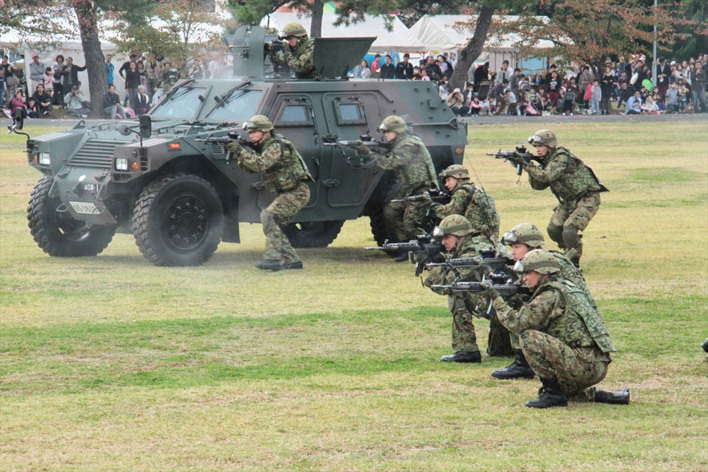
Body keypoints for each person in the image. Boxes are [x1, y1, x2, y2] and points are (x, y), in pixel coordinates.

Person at [487, 249, 629, 408]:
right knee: (563, 391)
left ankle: (552, 394)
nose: (524, 278)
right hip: (594, 361)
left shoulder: (550, 295)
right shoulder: (564, 287)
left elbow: (519, 324)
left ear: (543, 272)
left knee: (528, 337)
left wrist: (497, 301)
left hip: (584, 362)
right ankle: (607, 396)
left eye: (528, 273)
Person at [492, 223, 597, 380]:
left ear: (532, 247)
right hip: (562, 315)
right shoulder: (534, 265)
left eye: (517, 247)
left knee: (521, 311)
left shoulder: (553, 263)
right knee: (518, 303)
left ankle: (523, 364)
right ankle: (522, 360)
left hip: (573, 325)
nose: (512, 252)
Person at [225, 115, 313, 271]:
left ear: (266, 132)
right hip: (288, 192)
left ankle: (273, 259)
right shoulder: (266, 146)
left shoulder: (276, 146)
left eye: (254, 132)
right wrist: (239, 152)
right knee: (272, 222)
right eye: (250, 133)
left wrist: (240, 150)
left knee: (268, 217)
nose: (251, 135)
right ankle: (292, 261)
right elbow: (249, 168)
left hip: (297, 192)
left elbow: (260, 164)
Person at [352, 116, 438, 259]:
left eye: (388, 132)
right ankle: (406, 248)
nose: (385, 135)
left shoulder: (408, 145)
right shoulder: (400, 144)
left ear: (398, 132)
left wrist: (365, 151)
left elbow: (387, 164)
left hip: (422, 189)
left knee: (410, 224)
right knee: (390, 212)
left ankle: (431, 248)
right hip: (409, 189)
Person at [522, 130, 608, 267]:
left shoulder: (561, 156)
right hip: (569, 200)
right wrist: (527, 165)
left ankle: (574, 263)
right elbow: (538, 185)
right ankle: (569, 249)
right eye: (535, 146)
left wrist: (528, 166)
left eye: (540, 146)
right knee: (553, 229)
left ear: (549, 145)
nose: (537, 149)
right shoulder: (547, 161)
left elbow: (547, 176)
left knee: (569, 229)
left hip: (587, 197)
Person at [423, 215, 495, 363]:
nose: (443, 242)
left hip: (502, 302)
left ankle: (467, 350)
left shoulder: (470, 254)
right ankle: (504, 347)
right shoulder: (477, 244)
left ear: (460, 237)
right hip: (506, 301)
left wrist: (435, 264)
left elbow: (446, 285)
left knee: (458, 292)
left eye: (447, 237)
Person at [428, 164, 500, 240]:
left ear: (459, 179)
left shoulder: (461, 192)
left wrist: (432, 205)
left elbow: (449, 213)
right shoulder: (474, 190)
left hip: (474, 237)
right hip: (488, 236)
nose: (446, 184)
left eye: (448, 180)